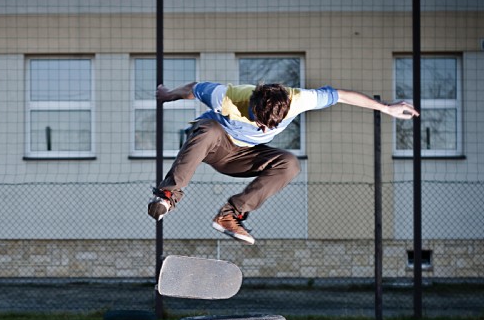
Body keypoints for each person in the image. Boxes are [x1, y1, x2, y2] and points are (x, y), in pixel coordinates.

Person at [149, 81, 419, 244]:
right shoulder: (226, 95)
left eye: (269, 125)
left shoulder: (299, 99)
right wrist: (166, 95)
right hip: (213, 145)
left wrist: (386, 108)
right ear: (252, 103)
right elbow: (191, 89)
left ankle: (231, 214)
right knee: (209, 129)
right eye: (258, 121)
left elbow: (343, 95)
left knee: (289, 162)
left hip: (244, 157)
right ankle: (168, 195)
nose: (262, 128)